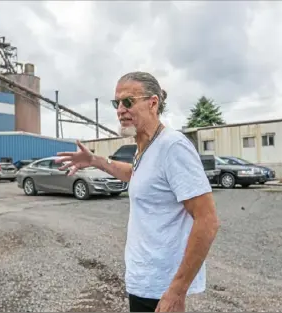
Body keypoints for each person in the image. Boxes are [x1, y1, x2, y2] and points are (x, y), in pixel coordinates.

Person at [56, 71, 220, 312]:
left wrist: (177, 290)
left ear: (153, 103)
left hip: (161, 287)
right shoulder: (145, 146)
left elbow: (208, 221)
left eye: (128, 102)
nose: (120, 109)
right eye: (117, 103)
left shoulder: (172, 146)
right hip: (144, 281)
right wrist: (95, 160)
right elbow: (138, 176)